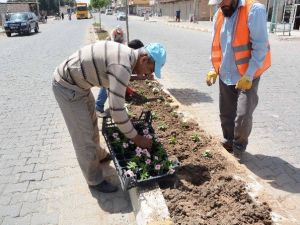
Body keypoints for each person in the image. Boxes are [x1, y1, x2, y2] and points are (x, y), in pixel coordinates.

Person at [52, 41, 166, 192]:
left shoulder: (126, 55)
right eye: (150, 69)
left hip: (80, 85)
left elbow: (110, 77)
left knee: (91, 124)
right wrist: (138, 139)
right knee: (83, 135)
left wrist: (125, 91)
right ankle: (94, 180)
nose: (149, 74)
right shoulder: (123, 65)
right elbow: (116, 111)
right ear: (144, 59)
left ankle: (99, 155)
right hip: (68, 87)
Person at [205, 0, 271, 158]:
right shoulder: (219, 14)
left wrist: (249, 74)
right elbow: (218, 45)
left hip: (247, 75)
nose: (221, 5)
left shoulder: (254, 10)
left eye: (223, 1)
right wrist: (214, 69)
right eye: (218, 3)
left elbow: (260, 47)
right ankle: (229, 141)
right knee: (226, 113)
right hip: (225, 73)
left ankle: (239, 146)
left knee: (242, 115)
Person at [95, 26, 126, 117]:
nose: (119, 35)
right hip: (107, 67)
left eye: (120, 34)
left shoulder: (122, 41)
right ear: (114, 34)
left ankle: (114, 107)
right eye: (117, 33)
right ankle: (98, 108)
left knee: (112, 87)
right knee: (105, 87)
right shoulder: (109, 40)